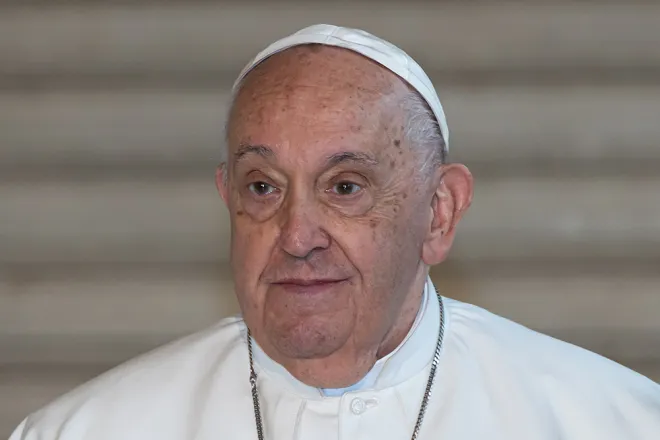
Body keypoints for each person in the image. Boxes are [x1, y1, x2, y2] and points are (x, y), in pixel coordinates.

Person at [9, 24, 660, 440]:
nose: (297, 236)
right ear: (227, 200)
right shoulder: (87, 430)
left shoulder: (612, 422)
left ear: (439, 212)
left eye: (345, 187)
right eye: (263, 187)